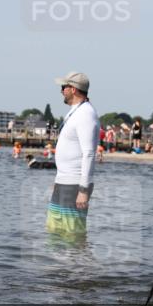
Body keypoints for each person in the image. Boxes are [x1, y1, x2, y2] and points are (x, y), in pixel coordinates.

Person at [46, 71, 100, 237]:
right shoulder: (75, 112)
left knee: (72, 234)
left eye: (64, 87)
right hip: (63, 181)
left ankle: (78, 264)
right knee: (54, 231)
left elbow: (89, 153)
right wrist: (58, 179)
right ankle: (56, 264)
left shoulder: (86, 114)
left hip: (75, 184)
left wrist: (83, 190)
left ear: (74, 89)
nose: (61, 90)